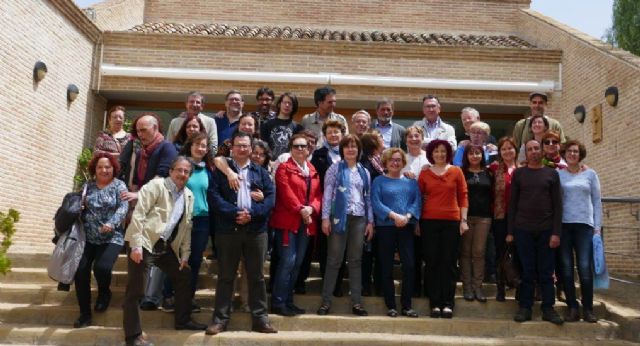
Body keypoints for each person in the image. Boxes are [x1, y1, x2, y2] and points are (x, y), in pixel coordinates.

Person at [123, 157, 207, 346]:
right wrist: (135, 245)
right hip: (143, 242)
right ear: (171, 171)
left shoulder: (188, 196)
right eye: (179, 170)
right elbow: (139, 214)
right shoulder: (156, 186)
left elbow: (186, 227)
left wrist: (185, 255)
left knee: (183, 274)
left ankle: (183, 320)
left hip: (163, 246)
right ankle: (133, 336)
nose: (182, 174)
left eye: (186, 172)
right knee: (137, 290)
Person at [206, 132, 277, 336]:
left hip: (256, 231)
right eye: (239, 145)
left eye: (246, 146)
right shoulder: (221, 172)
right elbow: (214, 197)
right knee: (226, 277)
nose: (242, 149)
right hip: (228, 230)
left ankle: (260, 320)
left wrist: (252, 214)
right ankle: (220, 320)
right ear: (232, 148)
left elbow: (271, 199)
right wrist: (235, 213)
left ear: (251, 148)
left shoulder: (261, 172)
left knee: (256, 277)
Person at [119, 113, 178, 311]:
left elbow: (161, 176)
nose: (140, 134)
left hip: (159, 211)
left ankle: (152, 297)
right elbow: (137, 176)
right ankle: (142, 296)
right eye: (138, 131)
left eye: (144, 130)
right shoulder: (142, 150)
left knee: (156, 256)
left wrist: (139, 195)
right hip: (143, 208)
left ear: (156, 129)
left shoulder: (167, 148)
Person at [508, 139, 564, 325]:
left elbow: (558, 205)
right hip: (523, 229)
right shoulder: (519, 174)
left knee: (547, 271)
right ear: (526, 153)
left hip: (547, 230)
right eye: (530, 149)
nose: (533, 152)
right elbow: (512, 204)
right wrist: (511, 231)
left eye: (536, 148)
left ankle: (548, 308)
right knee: (527, 271)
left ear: (541, 151)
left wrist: (556, 232)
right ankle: (525, 307)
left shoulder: (552, 174)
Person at [317, 134, 373, 317]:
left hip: (359, 219)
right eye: (347, 146)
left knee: (356, 261)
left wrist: (370, 221)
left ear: (359, 150)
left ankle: (357, 303)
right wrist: (325, 218)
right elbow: (327, 194)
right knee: (334, 260)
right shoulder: (335, 168)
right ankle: (326, 302)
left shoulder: (364, 171)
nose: (351, 149)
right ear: (342, 150)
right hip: (338, 218)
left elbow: (368, 198)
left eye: (354, 146)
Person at [73, 153, 128, 328]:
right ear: (94, 169)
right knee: (81, 272)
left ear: (113, 169)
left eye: (107, 167)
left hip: (112, 237)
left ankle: (104, 292)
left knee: (102, 267)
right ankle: (84, 314)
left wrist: (112, 223)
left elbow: (124, 206)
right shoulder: (87, 186)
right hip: (88, 237)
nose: (104, 170)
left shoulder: (119, 185)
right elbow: (78, 206)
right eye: (100, 167)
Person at [269, 134, 322, 316]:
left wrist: (312, 209)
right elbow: (285, 193)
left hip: (306, 222)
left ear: (309, 150)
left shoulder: (313, 170)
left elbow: (318, 196)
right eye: (296, 146)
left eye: (303, 146)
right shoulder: (284, 168)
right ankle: (278, 301)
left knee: (298, 263)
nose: (300, 149)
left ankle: (288, 300)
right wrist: (301, 209)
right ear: (291, 149)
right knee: (287, 261)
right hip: (288, 221)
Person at [161, 133, 213, 313]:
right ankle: (168, 296)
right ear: (190, 146)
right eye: (197, 144)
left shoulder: (209, 169)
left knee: (195, 260)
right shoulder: (182, 166)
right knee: (175, 258)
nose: (200, 148)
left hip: (202, 220)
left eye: (204, 145)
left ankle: (187, 299)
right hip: (180, 217)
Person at [417, 139, 468, 319]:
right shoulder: (424, 173)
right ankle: (434, 303)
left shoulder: (456, 171)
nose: (440, 154)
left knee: (449, 263)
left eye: (443, 151)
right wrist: (416, 222)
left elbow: (463, 196)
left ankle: (447, 303)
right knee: (432, 263)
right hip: (429, 222)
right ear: (431, 153)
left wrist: (464, 220)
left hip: (452, 222)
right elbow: (418, 198)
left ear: (448, 154)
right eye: (436, 151)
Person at [371, 148, 421, 318]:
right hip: (386, 227)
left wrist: (407, 216)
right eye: (392, 160)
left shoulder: (411, 182)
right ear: (385, 162)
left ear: (403, 162)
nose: (395, 162)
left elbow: (417, 202)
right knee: (386, 266)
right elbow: (376, 203)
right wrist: (394, 216)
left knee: (409, 266)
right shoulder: (378, 181)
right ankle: (391, 305)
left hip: (406, 226)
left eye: (399, 160)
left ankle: (406, 306)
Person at [558, 140, 601, 323]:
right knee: (566, 270)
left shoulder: (590, 174)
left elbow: (597, 201)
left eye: (576, 151)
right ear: (565, 154)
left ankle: (588, 309)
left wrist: (597, 228)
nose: (572, 154)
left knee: (584, 268)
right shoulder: (558, 174)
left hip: (585, 226)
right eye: (569, 151)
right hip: (564, 226)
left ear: (580, 154)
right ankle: (572, 308)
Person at [310, 120, 347, 296]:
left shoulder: (350, 153)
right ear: (325, 136)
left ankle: (338, 285)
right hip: (326, 207)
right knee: (325, 249)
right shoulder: (318, 154)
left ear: (342, 134)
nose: (333, 135)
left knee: (342, 249)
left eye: (337, 132)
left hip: (347, 209)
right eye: (330, 132)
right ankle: (327, 284)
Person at [460, 145, 493, 302]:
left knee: (479, 252)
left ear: (482, 155)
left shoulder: (489, 172)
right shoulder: (461, 172)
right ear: (466, 156)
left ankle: (478, 287)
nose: (474, 156)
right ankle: (467, 287)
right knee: (465, 253)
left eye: (477, 153)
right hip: (465, 217)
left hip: (484, 217)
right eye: (471, 153)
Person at [487, 137, 518, 301]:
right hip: (500, 216)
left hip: (520, 218)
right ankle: (501, 288)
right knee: (501, 253)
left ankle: (517, 285)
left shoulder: (523, 168)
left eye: (510, 148)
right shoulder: (493, 169)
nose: (507, 151)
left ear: (515, 150)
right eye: (503, 149)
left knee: (518, 252)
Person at [359, 130, 384, 295]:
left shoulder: (380, 162)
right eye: (380, 138)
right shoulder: (366, 163)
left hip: (380, 215)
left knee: (378, 252)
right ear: (373, 143)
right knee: (367, 252)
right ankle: (365, 286)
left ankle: (377, 285)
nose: (383, 140)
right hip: (368, 215)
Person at [166, 92, 218, 157]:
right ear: (186, 104)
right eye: (191, 101)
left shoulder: (210, 122)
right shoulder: (175, 122)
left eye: (198, 102)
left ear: (202, 106)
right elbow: (169, 144)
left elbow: (213, 146)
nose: (194, 104)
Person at [260, 92, 303, 159]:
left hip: (289, 163)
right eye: (285, 102)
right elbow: (263, 146)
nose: (287, 105)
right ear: (279, 104)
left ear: (293, 107)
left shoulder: (298, 128)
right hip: (270, 163)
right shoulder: (266, 124)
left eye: (290, 104)